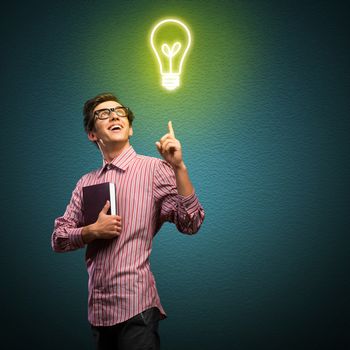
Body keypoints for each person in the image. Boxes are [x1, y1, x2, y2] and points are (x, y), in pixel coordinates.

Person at [51, 92, 205, 350]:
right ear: (92, 134)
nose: (113, 115)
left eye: (119, 112)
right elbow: (58, 238)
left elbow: (191, 223)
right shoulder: (85, 182)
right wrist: (91, 231)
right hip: (98, 311)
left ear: (130, 128)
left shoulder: (154, 169)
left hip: (137, 306)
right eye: (102, 114)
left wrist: (179, 167)